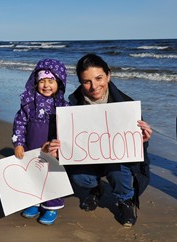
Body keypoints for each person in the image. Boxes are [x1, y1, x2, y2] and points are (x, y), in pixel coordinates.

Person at [44, 54, 152, 227]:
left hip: (117, 160)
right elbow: (61, 142)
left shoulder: (126, 104)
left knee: (118, 173)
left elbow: (137, 149)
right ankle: (95, 189)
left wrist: (143, 140)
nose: (94, 86)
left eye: (99, 78)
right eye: (86, 81)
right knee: (80, 178)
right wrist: (56, 149)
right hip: (87, 159)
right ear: (80, 82)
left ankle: (125, 201)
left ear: (108, 75)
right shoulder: (70, 107)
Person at [12, 58, 69, 225]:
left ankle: (51, 206)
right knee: (32, 175)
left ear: (59, 83)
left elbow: (69, 129)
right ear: (35, 83)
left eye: (51, 81)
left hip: (52, 151)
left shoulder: (63, 106)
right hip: (31, 148)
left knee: (50, 177)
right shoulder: (28, 104)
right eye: (42, 81)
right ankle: (34, 202)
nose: (46, 85)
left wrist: (63, 148)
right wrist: (18, 144)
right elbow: (19, 124)